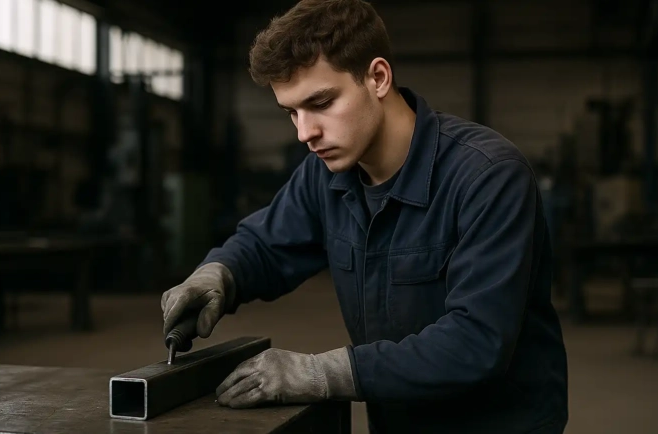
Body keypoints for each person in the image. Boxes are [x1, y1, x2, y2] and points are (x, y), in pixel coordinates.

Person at [160, 0, 569, 432]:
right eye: (292, 112)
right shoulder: (326, 176)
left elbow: (476, 341)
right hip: (396, 419)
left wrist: (323, 373)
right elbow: (265, 244)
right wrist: (218, 275)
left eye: (320, 102)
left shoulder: (488, 177)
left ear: (377, 77)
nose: (305, 133)